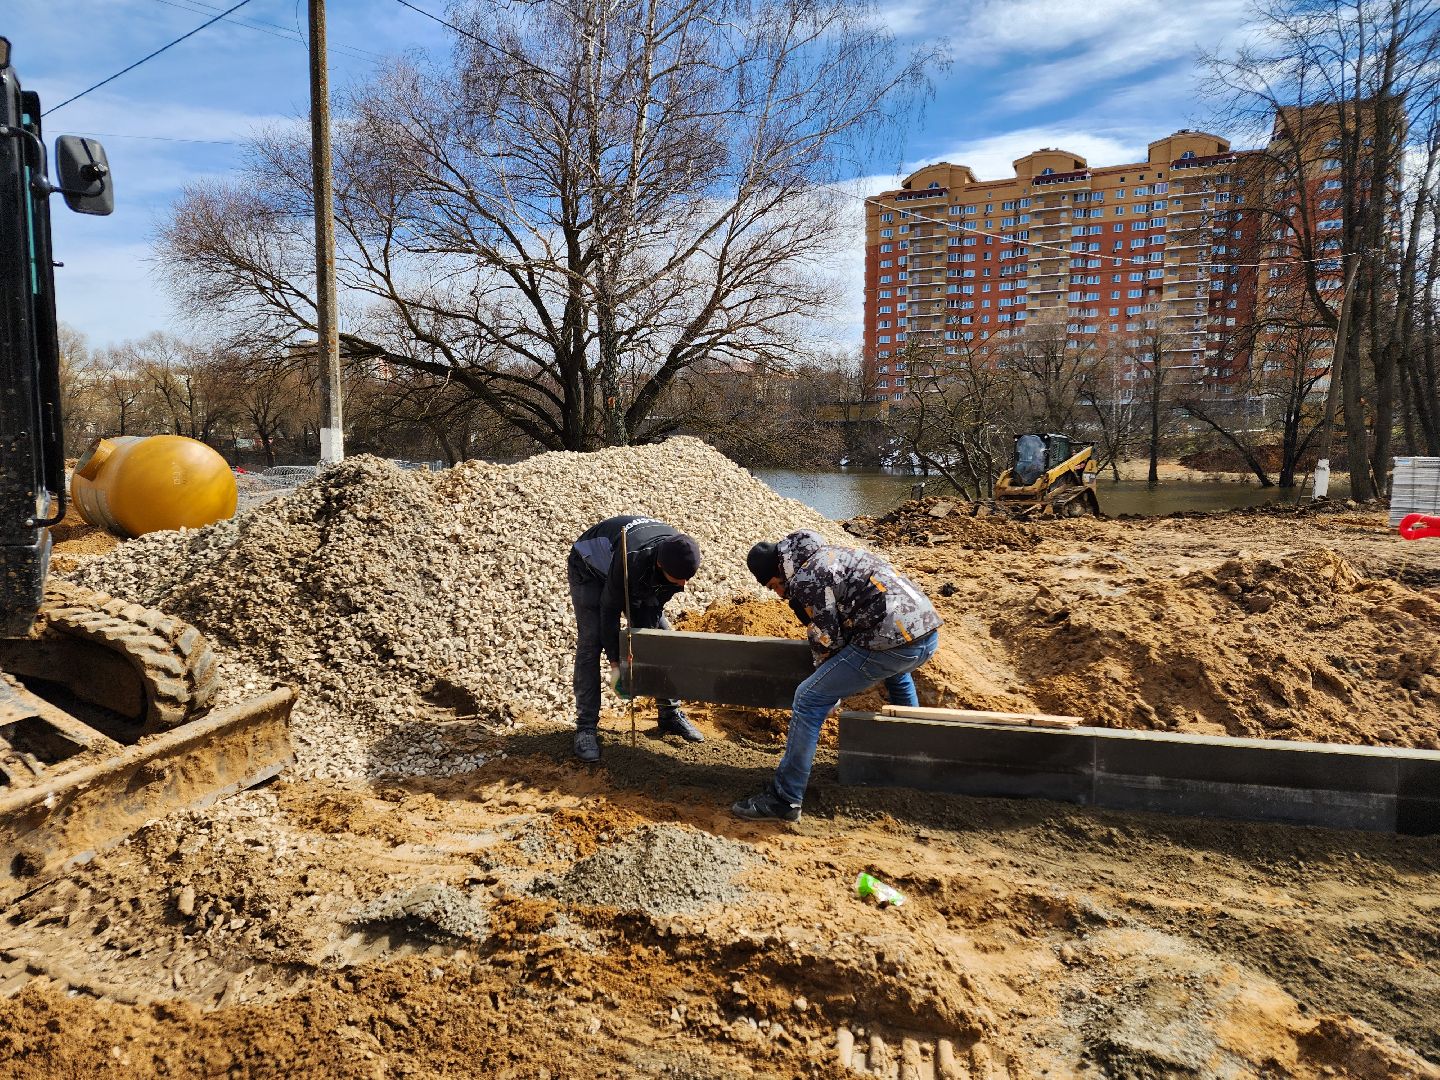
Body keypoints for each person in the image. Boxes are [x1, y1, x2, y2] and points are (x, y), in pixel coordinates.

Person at [733, 530, 942, 821]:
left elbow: (828, 640)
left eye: (773, 586)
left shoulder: (807, 579)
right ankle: (910, 764)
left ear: (780, 570)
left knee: (808, 699)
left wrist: (829, 689)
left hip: (892, 642)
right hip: (925, 635)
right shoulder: (832, 555)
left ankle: (785, 799)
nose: (780, 595)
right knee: (896, 673)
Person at [568, 515, 705, 762]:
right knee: (592, 641)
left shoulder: (678, 555)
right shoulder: (631, 558)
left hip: (634, 571)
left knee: (661, 638)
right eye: (679, 579)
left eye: (688, 578)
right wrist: (616, 663)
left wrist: (643, 644)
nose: (684, 584)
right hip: (589, 568)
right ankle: (585, 727)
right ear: (662, 566)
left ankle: (669, 713)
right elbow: (610, 610)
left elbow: (651, 612)